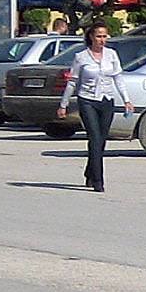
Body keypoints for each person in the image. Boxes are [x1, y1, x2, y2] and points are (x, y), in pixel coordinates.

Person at [55, 19, 132, 192]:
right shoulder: (81, 57)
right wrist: (63, 104)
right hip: (87, 100)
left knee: (101, 140)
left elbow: (118, 78)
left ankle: (90, 172)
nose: (102, 40)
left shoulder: (111, 55)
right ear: (91, 37)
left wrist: (126, 100)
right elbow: (72, 82)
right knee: (95, 138)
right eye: (99, 36)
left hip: (106, 100)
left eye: (105, 36)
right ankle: (98, 180)